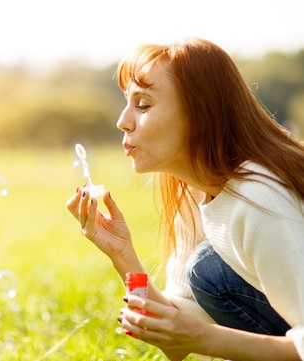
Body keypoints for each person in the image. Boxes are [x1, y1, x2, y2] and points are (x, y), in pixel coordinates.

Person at [66, 37, 304, 361]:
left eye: (143, 104)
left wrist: (204, 338)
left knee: (208, 267)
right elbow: (175, 338)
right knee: (207, 269)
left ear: (199, 113)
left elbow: (194, 334)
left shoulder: (260, 200)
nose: (123, 121)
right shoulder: (195, 192)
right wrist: (121, 254)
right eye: (127, 102)